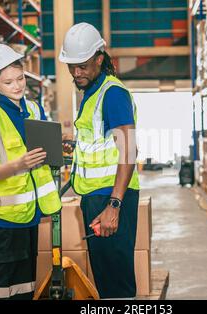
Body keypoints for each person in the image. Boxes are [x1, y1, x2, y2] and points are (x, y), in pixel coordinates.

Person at [0, 43, 62, 300]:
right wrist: (19, 165)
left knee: (27, 288)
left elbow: (45, 150)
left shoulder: (34, 109)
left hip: (31, 215)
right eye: (9, 82)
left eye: (20, 78)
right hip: (5, 221)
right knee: (5, 291)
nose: (18, 86)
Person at [59, 23, 140, 299]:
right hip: (97, 197)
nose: (76, 72)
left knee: (117, 285)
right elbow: (99, 143)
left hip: (111, 199)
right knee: (106, 283)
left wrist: (114, 206)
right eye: (71, 66)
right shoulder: (92, 92)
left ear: (99, 59)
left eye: (82, 66)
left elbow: (129, 150)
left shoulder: (112, 93)